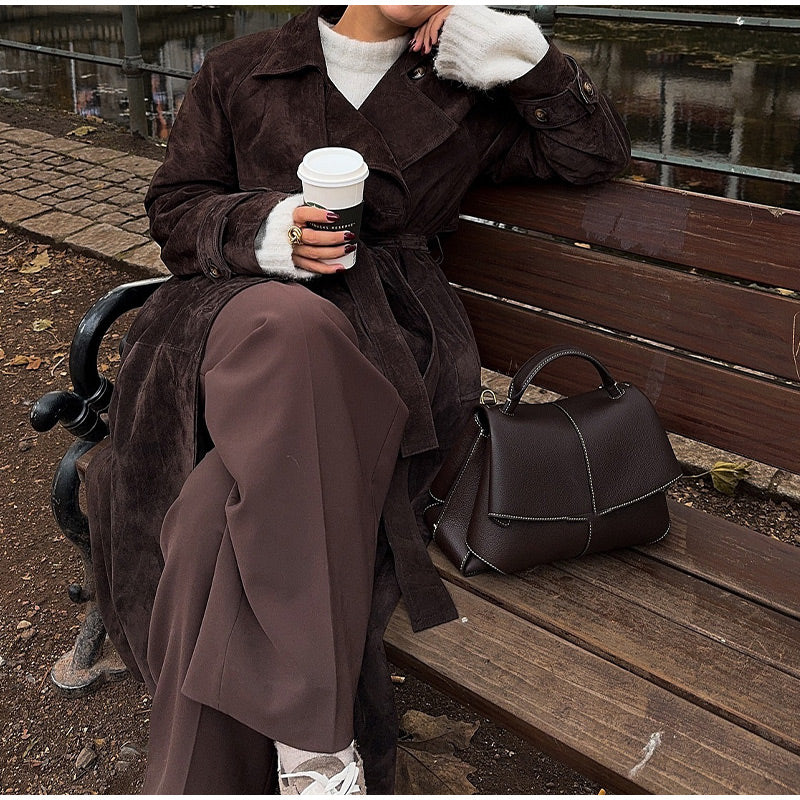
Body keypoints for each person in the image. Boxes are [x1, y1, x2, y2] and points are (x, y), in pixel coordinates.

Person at [85, 5, 630, 795]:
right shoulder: (244, 67)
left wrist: (521, 56)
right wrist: (267, 229)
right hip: (234, 326)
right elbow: (175, 207)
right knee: (294, 321)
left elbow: (593, 154)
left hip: (386, 351)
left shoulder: (468, 89)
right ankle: (318, 738)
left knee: (211, 519)